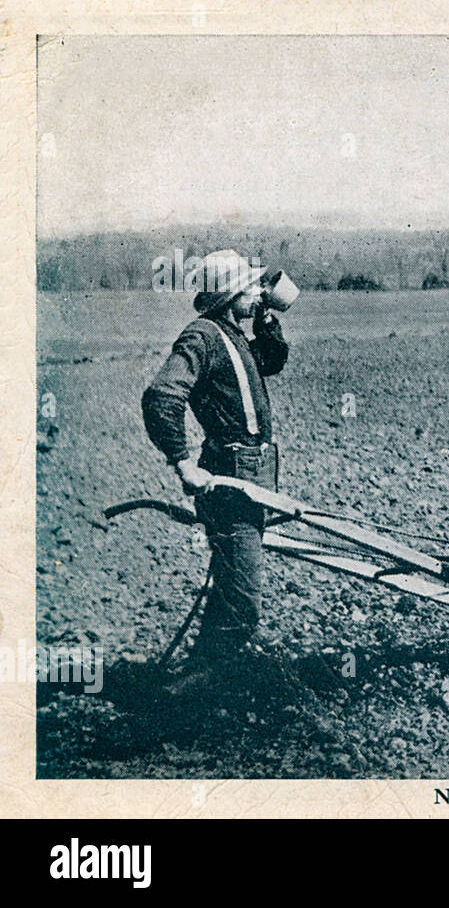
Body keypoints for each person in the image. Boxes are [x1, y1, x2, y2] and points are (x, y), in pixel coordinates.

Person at [141, 250, 290, 676]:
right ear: (229, 294)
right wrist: (183, 462)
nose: (261, 291)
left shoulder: (233, 333)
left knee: (232, 585)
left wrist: (264, 322)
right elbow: (161, 398)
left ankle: (203, 678)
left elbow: (271, 362)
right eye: (252, 286)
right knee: (242, 604)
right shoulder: (202, 338)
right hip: (230, 479)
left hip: (255, 474)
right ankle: (195, 694)